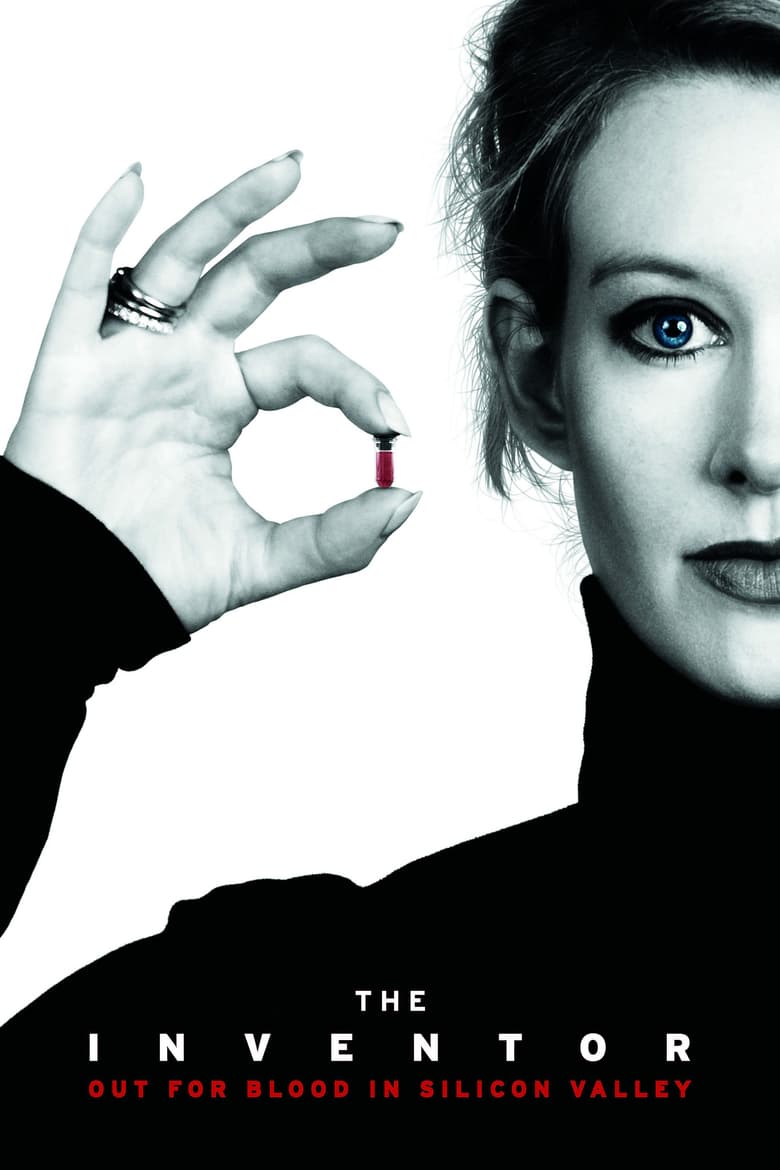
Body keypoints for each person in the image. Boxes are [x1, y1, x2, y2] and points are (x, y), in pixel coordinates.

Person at [0, 0, 776, 1128]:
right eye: (671, 327)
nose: (762, 448)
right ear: (541, 378)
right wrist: (37, 596)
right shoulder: (306, 1035)